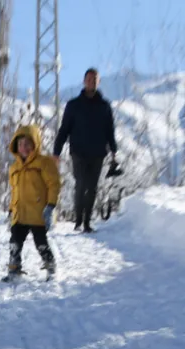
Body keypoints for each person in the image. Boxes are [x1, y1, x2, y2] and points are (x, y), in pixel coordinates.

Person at [54, 68, 119, 233]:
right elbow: (64, 129)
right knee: (81, 184)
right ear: (84, 81)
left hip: (98, 153)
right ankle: (78, 220)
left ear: (99, 82)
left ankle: (87, 222)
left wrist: (114, 151)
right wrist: (56, 152)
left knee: (92, 187)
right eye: (89, 79)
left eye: (95, 79)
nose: (92, 82)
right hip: (78, 152)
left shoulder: (104, 106)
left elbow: (110, 130)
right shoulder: (73, 105)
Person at [6, 124, 61, 281]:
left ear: (35, 144)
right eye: (20, 144)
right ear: (15, 146)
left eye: (28, 144)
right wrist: (11, 210)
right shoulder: (14, 168)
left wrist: (50, 206)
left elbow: (54, 185)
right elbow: (14, 191)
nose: (24, 148)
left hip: (38, 213)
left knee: (41, 243)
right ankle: (14, 268)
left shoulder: (44, 163)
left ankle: (50, 266)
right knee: (15, 242)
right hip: (20, 213)